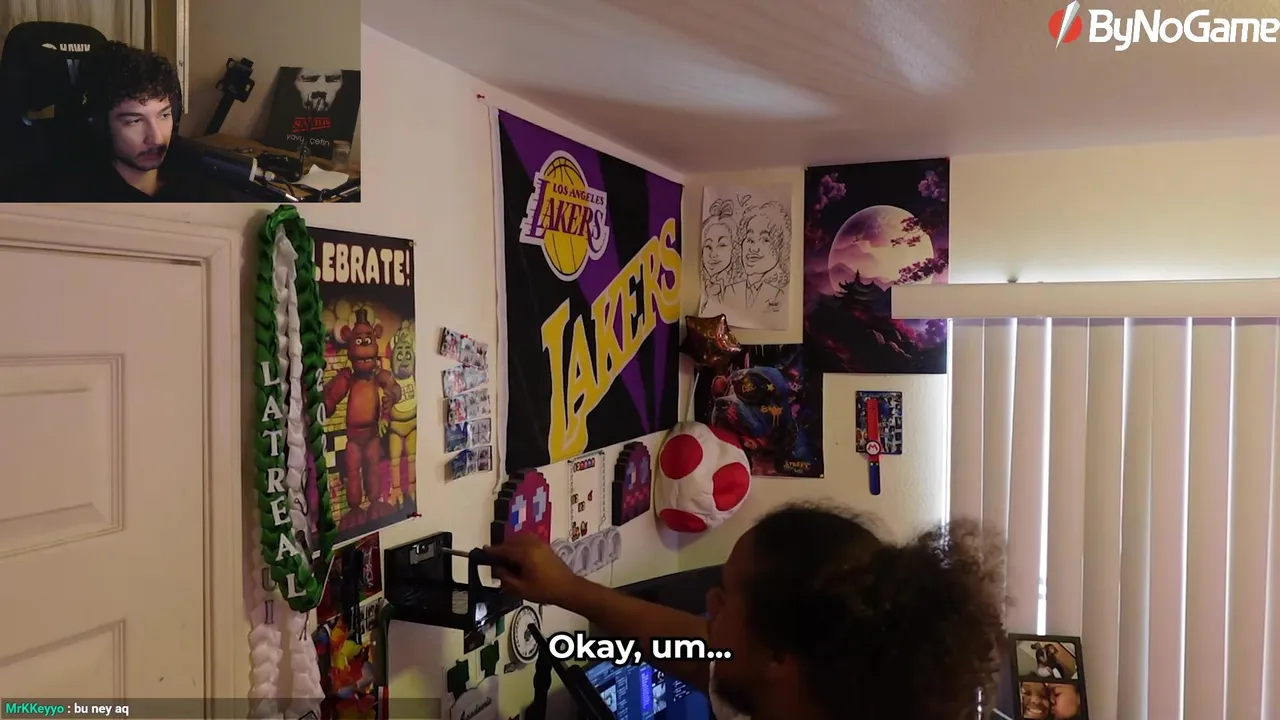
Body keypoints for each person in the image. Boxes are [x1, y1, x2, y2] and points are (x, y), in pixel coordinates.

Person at [486, 502, 1007, 720]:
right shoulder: (805, 682)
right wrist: (569, 590)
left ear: (780, 656)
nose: (709, 602)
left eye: (728, 596)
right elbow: (700, 651)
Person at [46, 41, 235, 202]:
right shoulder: (77, 200)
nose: (156, 138)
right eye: (135, 121)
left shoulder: (201, 183)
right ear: (101, 125)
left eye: (164, 116)